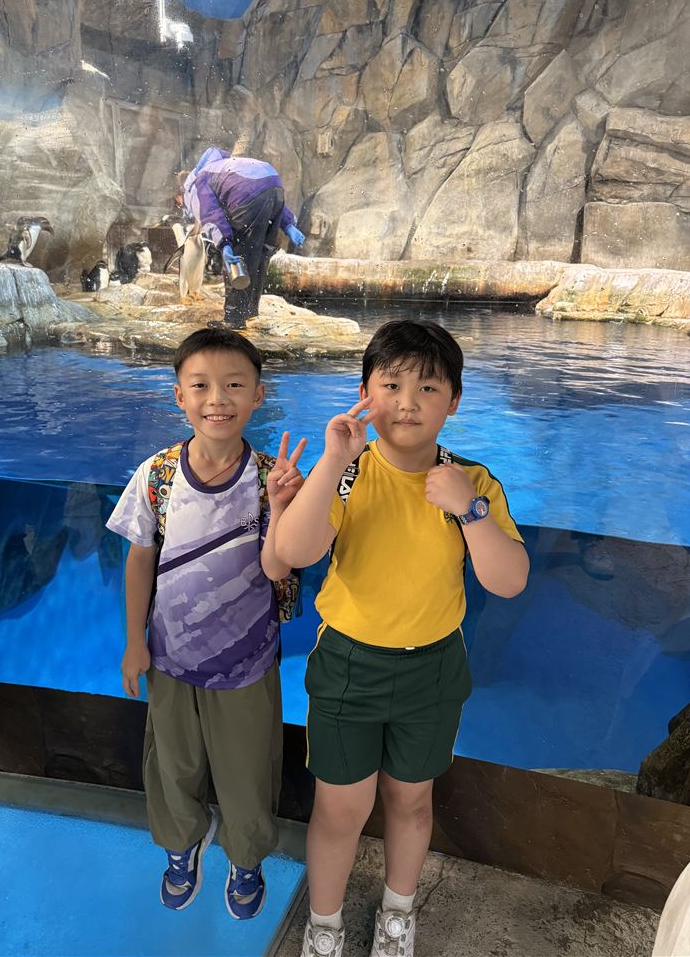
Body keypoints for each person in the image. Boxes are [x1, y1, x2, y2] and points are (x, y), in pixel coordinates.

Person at [274, 319, 530, 957]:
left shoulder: (473, 483)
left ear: (454, 402)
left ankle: (397, 914)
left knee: (411, 802)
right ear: (365, 392)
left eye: (428, 387)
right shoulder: (348, 473)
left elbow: (508, 581)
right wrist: (332, 459)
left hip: (432, 668)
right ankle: (324, 925)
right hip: (347, 665)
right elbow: (294, 551)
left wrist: (468, 510)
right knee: (340, 809)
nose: (408, 402)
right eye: (391, 385)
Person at [106, 328, 306, 920]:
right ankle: (181, 846)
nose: (217, 399)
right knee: (173, 764)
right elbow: (140, 557)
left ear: (258, 395)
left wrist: (284, 506)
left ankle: (245, 858)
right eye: (200, 385)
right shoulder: (158, 475)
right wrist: (134, 642)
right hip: (169, 660)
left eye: (234, 385)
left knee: (248, 770)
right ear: (179, 396)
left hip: (247, 665)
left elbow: (282, 567)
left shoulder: (271, 480)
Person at [181, 147, 306, 330]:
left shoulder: (199, 181)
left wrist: (225, 244)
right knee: (260, 255)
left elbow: (212, 215)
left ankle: (234, 319)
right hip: (273, 182)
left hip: (247, 196)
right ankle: (250, 311)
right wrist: (288, 224)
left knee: (239, 258)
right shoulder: (227, 167)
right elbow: (264, 190)